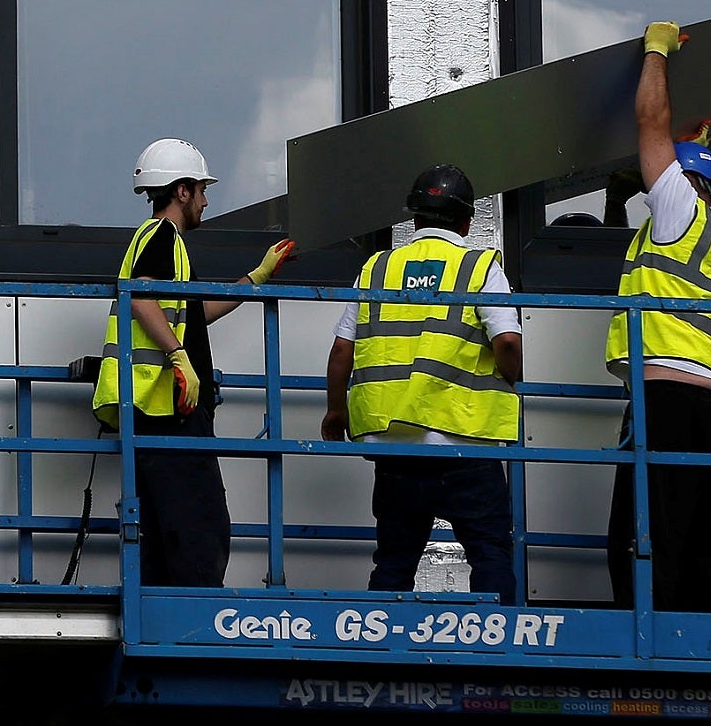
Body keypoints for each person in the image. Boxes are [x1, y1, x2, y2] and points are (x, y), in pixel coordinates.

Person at [96, 138, 295, 587]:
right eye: (201, 189)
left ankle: (167, 614)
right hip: (167, 409)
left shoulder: (169, 245)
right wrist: (178, 357)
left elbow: (194, 314)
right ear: (181, 191)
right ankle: (194, 620)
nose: (206, 199)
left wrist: (254, 280)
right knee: (199, 526)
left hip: (161, 408)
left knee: (170, 527)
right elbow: (140, 296)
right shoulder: (162, 236)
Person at [322, 164, 524, 602]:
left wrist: (336, 411)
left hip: (397, 445)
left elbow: (342, 352)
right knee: (490, 553)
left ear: (414, 219)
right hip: (464, 440)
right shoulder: (479, 266)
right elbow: (506, 340)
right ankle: (499, 647)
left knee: (394, 560)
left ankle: (383, 644)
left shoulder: (377, 268)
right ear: (467, 221)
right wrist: (512, 375)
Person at [601, 19, 711, 613]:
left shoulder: (677, 207)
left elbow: (651, 123)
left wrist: (656, 52)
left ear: (684, 182)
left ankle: (645, 642)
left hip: (667, 398)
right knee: (699, 543)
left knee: (641, 536)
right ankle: (699, 644)